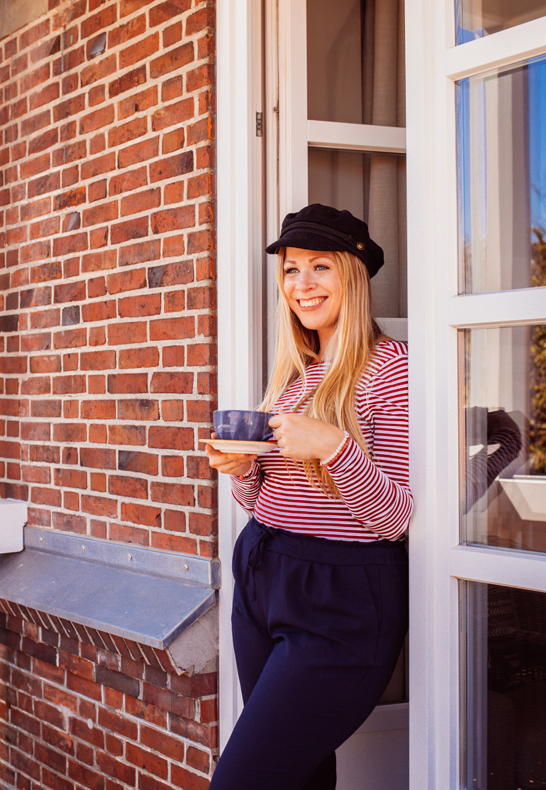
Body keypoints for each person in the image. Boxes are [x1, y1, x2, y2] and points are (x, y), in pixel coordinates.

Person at [206, 204, 412, 790]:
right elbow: (275, 501)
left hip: (340, 597)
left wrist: (336, 447)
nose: (303, 285)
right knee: (301, 773)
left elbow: (395, 518)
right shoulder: (297, 375)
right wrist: (241, 471)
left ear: (353, 275)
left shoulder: (392, 369)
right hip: (263, 573)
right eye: (292, 270)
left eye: (320, 266)